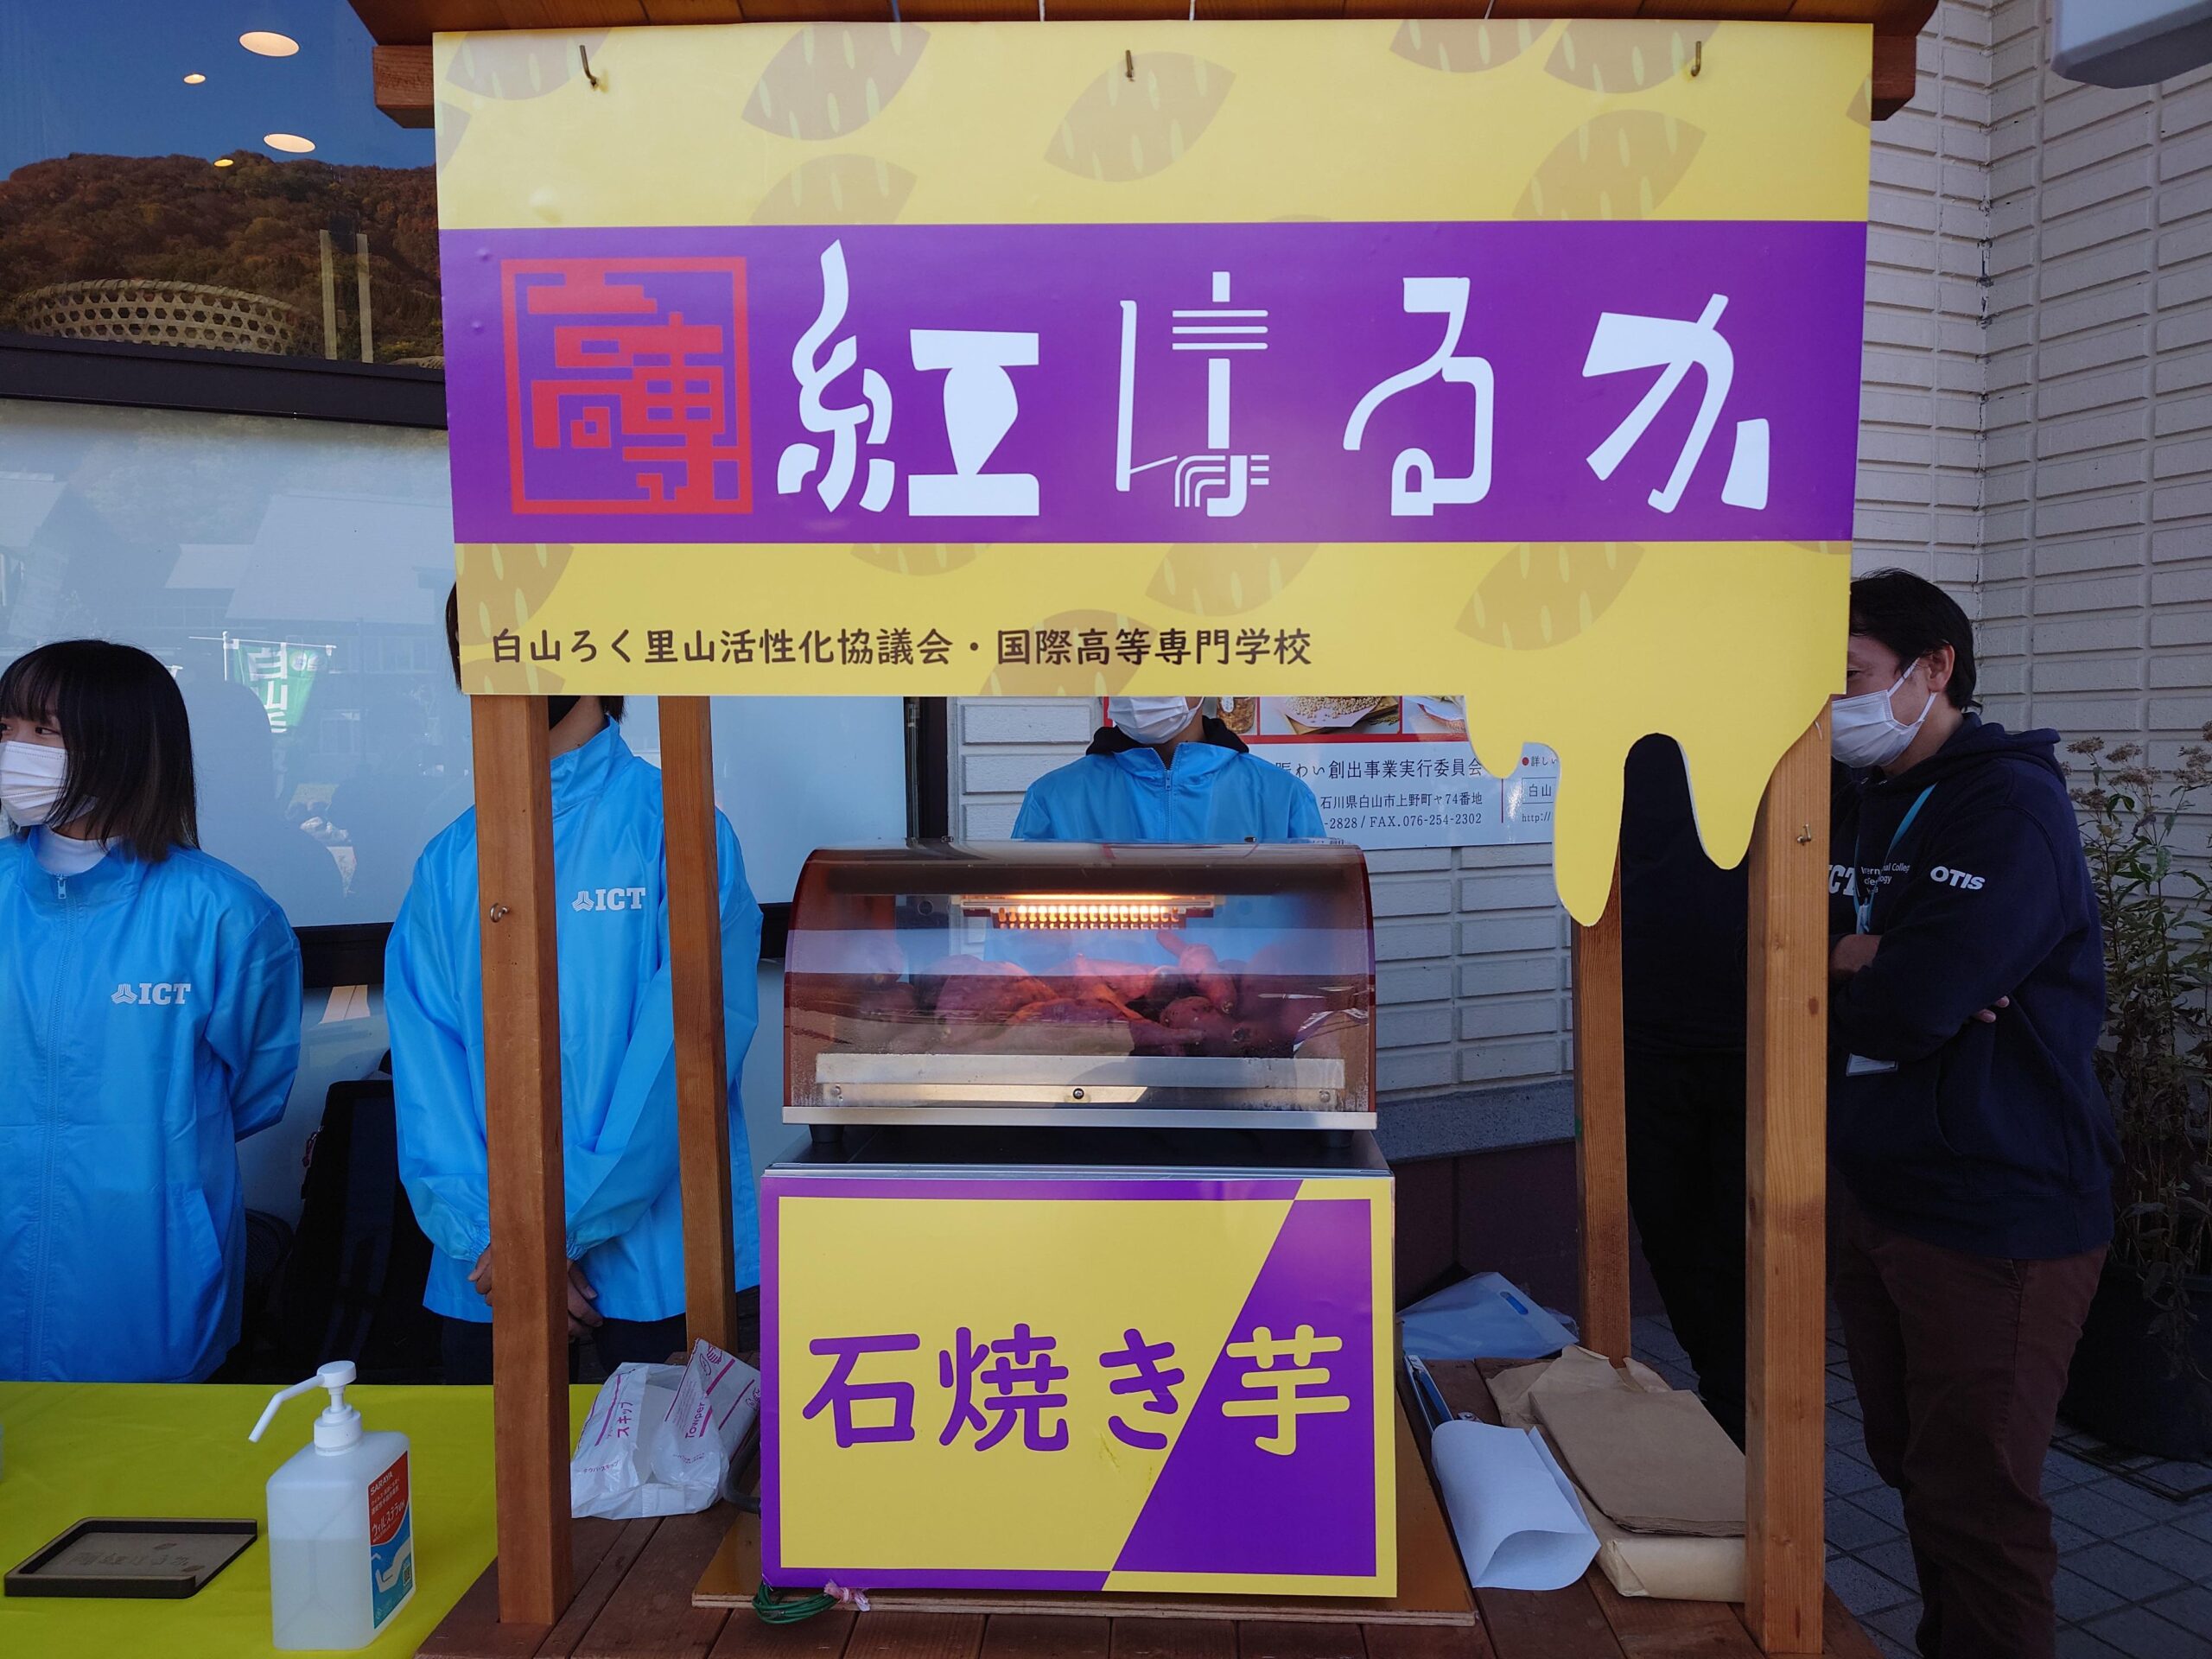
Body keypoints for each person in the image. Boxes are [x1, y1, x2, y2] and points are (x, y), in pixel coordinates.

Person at [1827, 569, 2113, 1659]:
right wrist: (1858, 952)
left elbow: (1913, 1008)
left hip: (1997, 1209)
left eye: (1849, 675)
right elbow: (1771, 968)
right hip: (1882, 1189)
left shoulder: (2007, 805)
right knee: (1915, 1470)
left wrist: (1877, 968)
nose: (1831, 705)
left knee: (1980, 1503)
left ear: (1932, 667)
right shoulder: (1854, 799)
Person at [387, 593, 762, 1382]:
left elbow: (684, 1057)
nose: (487, 661)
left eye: (510, 633)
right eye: (471, 641)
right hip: (486, 1280)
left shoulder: (678, 828)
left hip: (665, 1270)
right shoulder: (450, 861)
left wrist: (543, 1241)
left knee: (681, 1469)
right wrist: (494, 1241)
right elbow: (428, 1085)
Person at [0, 639, 302, 1382]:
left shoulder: (221, 912)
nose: (15, 750)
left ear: (119, 743)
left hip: (151, 1263)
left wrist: (152, 1153)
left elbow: (254, 1089)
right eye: (6, 728)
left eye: (43, 731)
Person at [1618, 733, 1750, 1446]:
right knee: (1669, 1229)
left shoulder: (1784, 727)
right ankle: (1723, 1390)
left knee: (1746, 1237)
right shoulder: (1636, 740)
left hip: (1765, 1036)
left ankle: (1743, 1408)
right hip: (1647, 1032)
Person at [1013, 696, 1324, 842]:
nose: (1143, 688)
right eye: (1128, 665)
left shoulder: (1283, 797)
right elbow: (1020, 939)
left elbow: (1315, 928)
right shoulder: (1053, 798)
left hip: (1239, 961)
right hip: (1099, 961)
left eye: (1168, 662)